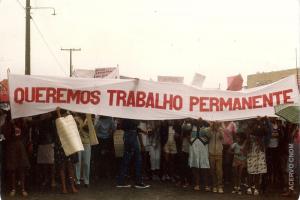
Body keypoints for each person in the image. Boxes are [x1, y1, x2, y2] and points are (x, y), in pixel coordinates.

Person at [116, 119, 150, 189]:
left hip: (127, 136)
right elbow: (135, 125)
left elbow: (130, 127)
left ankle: (120, 181)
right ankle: (138, 182)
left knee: (126, 160)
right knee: (138, 159)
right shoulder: (133, 115)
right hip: (132, 136)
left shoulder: (126, 116)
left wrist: (142, 131)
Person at [3, 115, 30, 197]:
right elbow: (6, 135)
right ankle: (13, 189)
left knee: (22, 168)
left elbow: (26, 132)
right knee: (13, 169)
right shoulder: (7, 123)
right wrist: (10, 125)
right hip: (11, 147)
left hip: (20, 146)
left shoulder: (21, 122)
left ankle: (23, 188)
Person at [55, 108, 79, 194]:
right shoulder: (58, 122)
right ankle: (64, 187)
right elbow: (61, 124)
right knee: (63, 167)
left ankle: (71, 186)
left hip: (70, 145)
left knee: (70, 167)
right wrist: (58, 113)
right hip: (62, 147)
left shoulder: (71, 120)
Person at [245, 118, 267, 196]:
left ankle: (256, 188)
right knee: (250, 171)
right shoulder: (249, 132)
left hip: (259, 153)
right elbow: (247, 142)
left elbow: (265, 132)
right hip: (251, 152)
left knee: (258, 171)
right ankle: (249, 187)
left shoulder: (261, 129)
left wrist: (260, 122)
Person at [189, 118, 210, 191]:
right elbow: (184, 128)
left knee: (204, 165)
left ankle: (206, 185)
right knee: (195, 165)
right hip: (194, 146)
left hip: (203, 147)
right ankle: (197, 184)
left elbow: (210, 135)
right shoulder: (191, 125)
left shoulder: (207, 125)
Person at [35, 113, 56, 188]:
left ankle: (52, 179)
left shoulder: (51, 121)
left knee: (51, 163)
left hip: (49, 142)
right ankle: (46, 179)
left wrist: (53, 142)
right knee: (44, 163)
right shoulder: (40, 121)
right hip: (41, 143)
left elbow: (54, 132)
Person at [93, 115, 116, 180]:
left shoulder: (98, 118)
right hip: (107, 139)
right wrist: (109, 133)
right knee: (106, 158)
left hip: (99, 139)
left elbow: (95, 128)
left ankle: (98, 174)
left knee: (98, 157)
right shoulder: (110, 118)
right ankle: (106, 174)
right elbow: (114, 128)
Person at [74, 113, 93, 187]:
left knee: (86, 162)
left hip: (87, 142)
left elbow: (90, 130)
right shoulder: (75, 119)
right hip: (78, 142)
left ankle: (86, 181)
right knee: (77, 162)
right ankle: (77, 180)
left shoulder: (89, 118)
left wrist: (87, 122)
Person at [207, 121, 224, 193]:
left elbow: (222, 137)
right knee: (212, 170)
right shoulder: (209, 130)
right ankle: (214, 185)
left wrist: (219, 130)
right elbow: (208, 136)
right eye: (214, 123)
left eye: (216, 123)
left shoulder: (221, 129)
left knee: (219, 170)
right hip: (211, 152)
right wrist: (211, 128)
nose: (215, 125)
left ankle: (219, 186)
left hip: (219, 153)